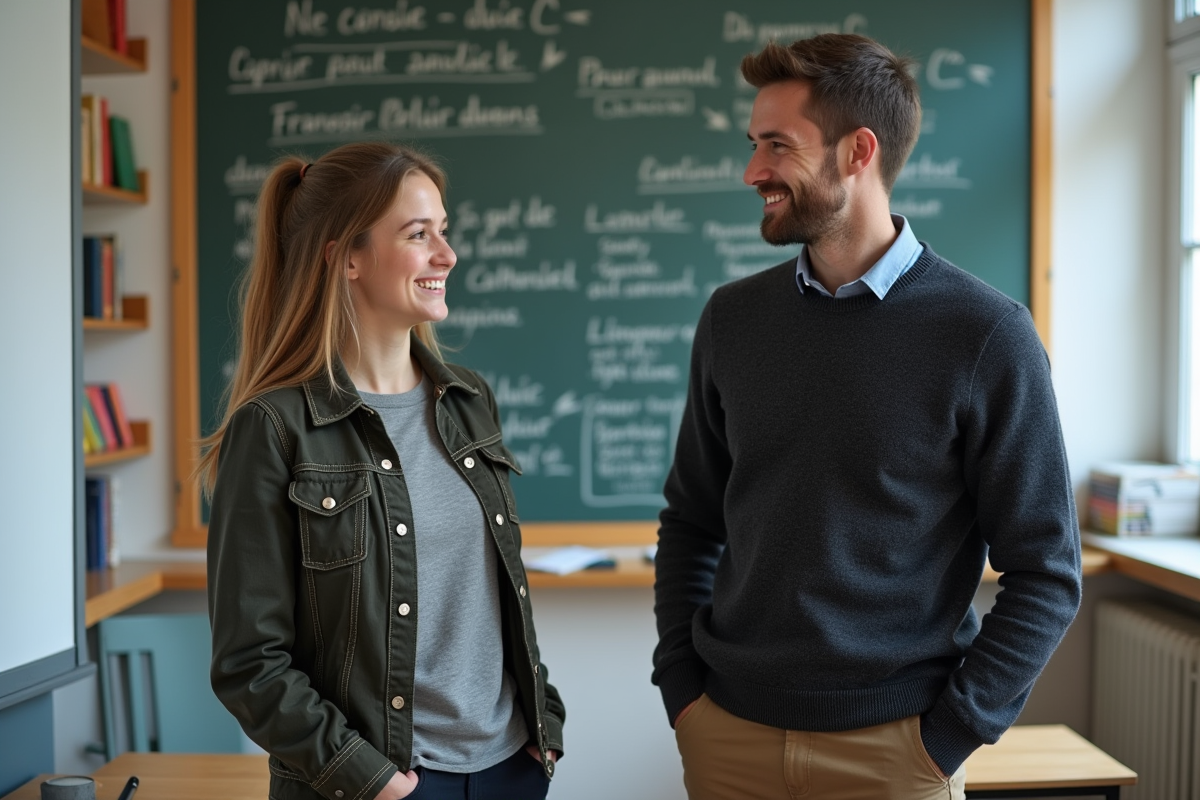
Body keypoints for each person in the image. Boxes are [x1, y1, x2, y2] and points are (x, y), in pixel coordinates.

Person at [652, 33, 1082, 800]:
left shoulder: (986, 335)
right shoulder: (732, 320)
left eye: (777, 147)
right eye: (754, 145)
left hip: (894, 753)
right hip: (727, 737)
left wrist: (945, 739)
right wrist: (683, 690)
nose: (753, 172)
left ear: (858, 152)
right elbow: (691, 519)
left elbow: (1046, 572)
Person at [199, 141, 564, 800]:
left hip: (511, 766)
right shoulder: (277, 428)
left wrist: (546, 722)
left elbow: (495, 592)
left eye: (443, 232)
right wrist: (369, 778)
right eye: (418, 234)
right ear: (347, 259)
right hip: (377, 784)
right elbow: (249, 662)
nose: (446, 256)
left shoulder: (469, 401)